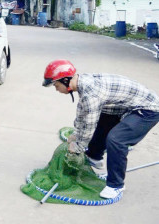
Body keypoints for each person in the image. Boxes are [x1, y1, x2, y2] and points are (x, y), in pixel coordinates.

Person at [42, 59, 159, 199]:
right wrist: (75, 134)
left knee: (116, 139)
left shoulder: (91, 94)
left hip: (147, 110)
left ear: (66, 80)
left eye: (56, 85)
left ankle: (116, 185)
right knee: (101, 118)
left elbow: (89, 126)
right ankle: (94, 156)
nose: (56, 89)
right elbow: (82, 113)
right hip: (121, 106)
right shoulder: (82, 83)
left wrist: (78, 146)